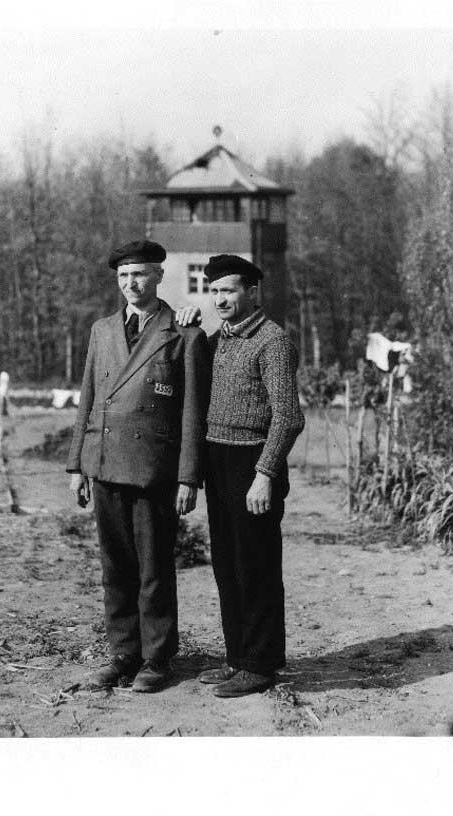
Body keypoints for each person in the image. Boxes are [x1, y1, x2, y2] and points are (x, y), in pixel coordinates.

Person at [67, 239, 209, 693]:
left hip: (154, 470)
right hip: (105, 464)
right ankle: (123, 653)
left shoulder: (183, 333)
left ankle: (157, 657)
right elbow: (87, 399)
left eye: (141, 274)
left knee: (153, 568)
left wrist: (189, 476)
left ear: (159, 277)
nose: (132, 283)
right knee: (115, 567)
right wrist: (77, 465)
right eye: (125, 276)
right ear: (117, 280)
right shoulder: (101, 330)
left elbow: (192, 413)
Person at [177, 254, 304, 697]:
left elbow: (288, 417)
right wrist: (189, 327)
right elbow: (188, 361)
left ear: (253, 292)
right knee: (228, 567)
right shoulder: (219, 339)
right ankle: (237, 659)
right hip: (218, 463)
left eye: (229, 290)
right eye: (213, 291)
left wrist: (266, 473)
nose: (220, 299)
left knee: (257, 568)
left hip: (253, 466)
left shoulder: (272, 341)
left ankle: (260, 664)